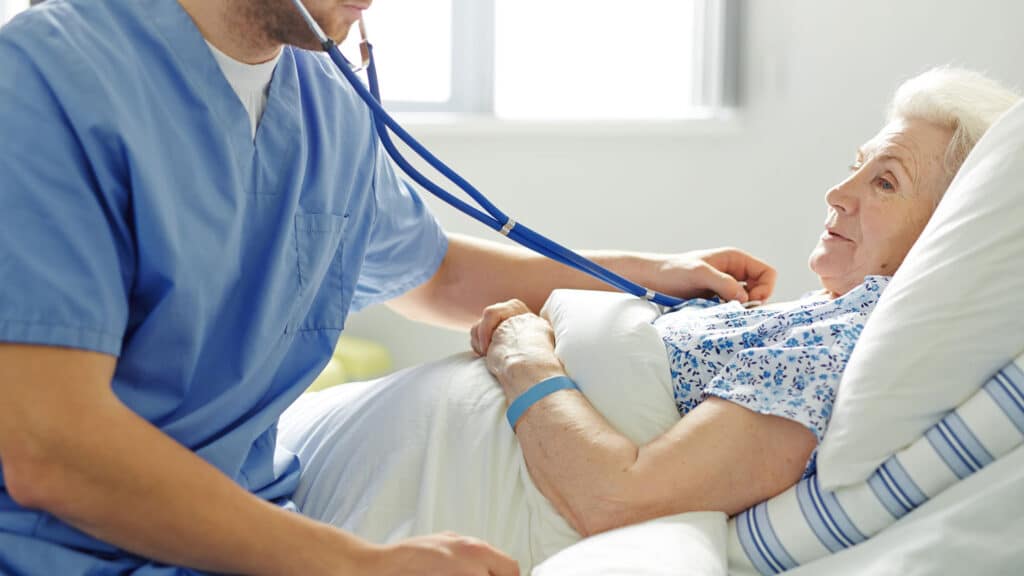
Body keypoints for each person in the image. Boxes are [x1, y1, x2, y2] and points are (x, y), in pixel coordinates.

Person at [0, 1, 776, 575]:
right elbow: (48, 447)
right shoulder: (51, 77)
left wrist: (642, 272)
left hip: (253, 532)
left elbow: (436, 272)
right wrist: (357, 565)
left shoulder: (323, 101)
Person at [471, 67, 1021, 537]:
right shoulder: (818, 317)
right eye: (856, 164)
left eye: (884, 183)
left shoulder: (837, 347)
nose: (838, 193)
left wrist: (524, 355)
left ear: (951, 230)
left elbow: (620, 498)